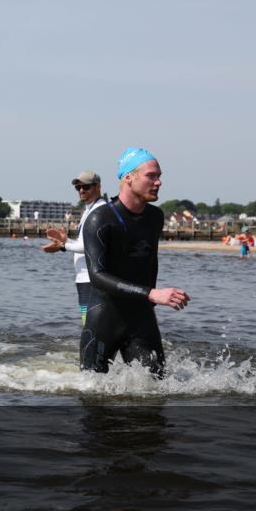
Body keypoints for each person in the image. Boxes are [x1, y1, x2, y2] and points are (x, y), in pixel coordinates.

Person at [79, 148, 190, 377]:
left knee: (156, 390)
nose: (158, 182)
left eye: (159, 176)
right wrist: (151, 293)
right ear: (128, 177)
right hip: (104, 318)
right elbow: (97, 276)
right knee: (93, 397)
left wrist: (149, 303)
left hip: (141, 316)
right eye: (151, 175)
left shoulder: (155, 217)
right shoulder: (100, 219)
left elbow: (150, 262)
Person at [42, 170, 107, 325]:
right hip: (85, 277)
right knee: (90, 325)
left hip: (92, 278)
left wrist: (63, 246)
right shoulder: (89, 209)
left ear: (98, 187)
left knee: (92, 327)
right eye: (78, 188)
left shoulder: (100, 210)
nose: (81, 190)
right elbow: (84, 243)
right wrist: (66, 241)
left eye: (86, 187)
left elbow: (92, 246)